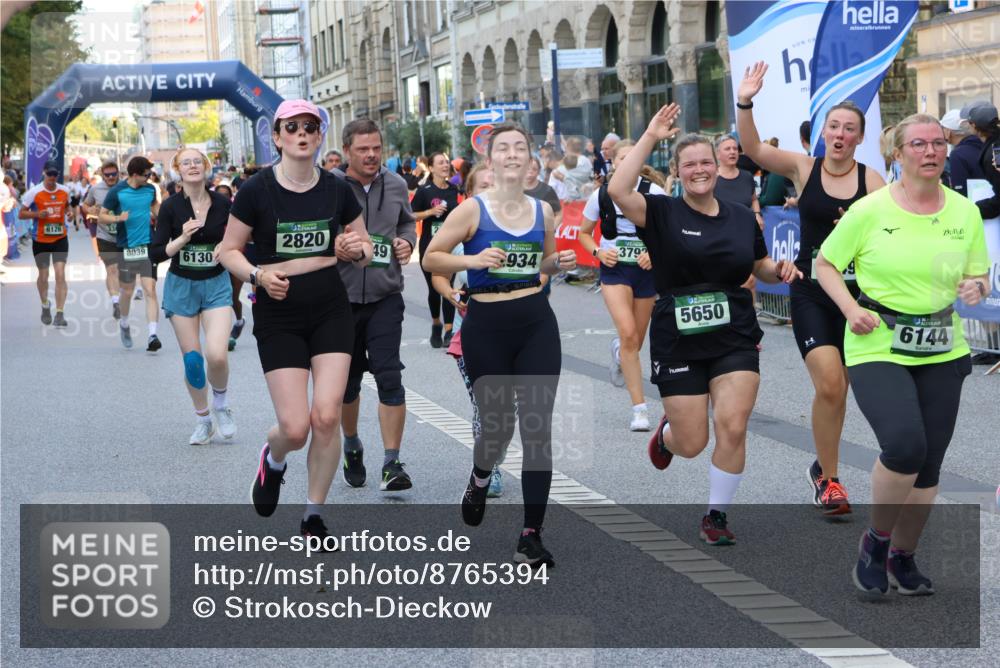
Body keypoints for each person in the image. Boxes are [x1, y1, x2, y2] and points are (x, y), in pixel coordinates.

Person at [609, 105, 802, 546]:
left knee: (733, 424)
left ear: (718, 168)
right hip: (677, 335)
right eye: (690, 164)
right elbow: (620, 188)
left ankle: (716, 514)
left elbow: (759, 264)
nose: (700, 170)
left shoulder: (740, 215)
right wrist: (651, 136)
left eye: (707, 163)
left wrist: (780, 269)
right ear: (677, 172)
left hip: (734, 331)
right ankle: (667, 434)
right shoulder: (660, 212)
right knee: (693, 441)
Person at [815, 113, 989, 596]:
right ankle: (876, 540)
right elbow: (825, 263)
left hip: (941, 343)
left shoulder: (963, 212)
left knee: (929, 463)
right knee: (905, 445)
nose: (931, 152)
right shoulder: (870, 210)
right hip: (877, 339)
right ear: (897, 153)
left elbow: (979, 276)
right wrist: (850, 309)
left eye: (938, 143)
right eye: (919, 144)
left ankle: (903, 556)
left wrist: (977, 286)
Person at [423, 123, 577, 567]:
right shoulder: (472, 210)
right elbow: (432, 256)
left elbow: (544, 262)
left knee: (536, 429)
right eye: (503, 149)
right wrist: (472, 259)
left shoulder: (541, 211)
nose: (512, 154)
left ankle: (531, 533)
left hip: (535, 323)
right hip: (486, 323)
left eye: (520, 148)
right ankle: (480, 474)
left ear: (531, 160)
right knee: (496, 426)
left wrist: (560, 262)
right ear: (490, 161)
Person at [737, 61, 886, 515]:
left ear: (860, 139)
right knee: (830, 384)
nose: (840, 134)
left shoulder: (873, 182)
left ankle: (823, 468)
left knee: (851, 388)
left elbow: (891, 239)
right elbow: (755, 148)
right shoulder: (804, 167)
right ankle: (831, 479)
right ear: (823, 133)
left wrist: (860, 232)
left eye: (849, 129)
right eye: (833, 126)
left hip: (858, 298)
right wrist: (746, 101)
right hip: (811, 290)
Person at [219, 99, 371, 541]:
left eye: (310, 126)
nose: (302, 133)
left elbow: (365, 250)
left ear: (320, 135)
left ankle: (313, 515)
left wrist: (353, 249)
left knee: (326, 417)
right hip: (278, 313)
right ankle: (273, 458)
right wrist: (259, 275)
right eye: (292, 127)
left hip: (329, 309)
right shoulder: (256, 190)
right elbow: (226, 251)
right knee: (296, 427)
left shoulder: (338, 189)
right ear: (278, 136)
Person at [332, 118, 418, 492]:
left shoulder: (397, 184)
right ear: (347, 150)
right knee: (347, 385)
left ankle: (392, 462)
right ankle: (351, 443)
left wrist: (406, 244)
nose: (371, 155)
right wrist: (336, 244)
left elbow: (406, 225)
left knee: (389, 377)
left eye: (376, 148)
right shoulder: (330, 186)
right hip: (339, 301)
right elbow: (316, 231)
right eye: (363, 149)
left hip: (385, 297)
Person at [151, 148, 237, 445]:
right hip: (181, 286)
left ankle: (222, 406)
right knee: (192, 362)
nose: (192, 166)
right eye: (185, 162)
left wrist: (226, 246)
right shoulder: (171, 207)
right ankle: (203, 419)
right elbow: (156, 253)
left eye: (197, 161)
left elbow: (243, 237)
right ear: (177, 169)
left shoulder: (224, 203)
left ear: (206, 167)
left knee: (216, 354)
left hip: (216, 284)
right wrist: (183, 238)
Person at [579, 140, 666, 431]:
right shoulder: (600, 195)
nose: (627, 163)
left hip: (645, 272)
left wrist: (655, 252)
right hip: (614, 270)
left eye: (632, 158)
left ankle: (619, 352)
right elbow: (584, 233)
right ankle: (639, 409)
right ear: (613, 162)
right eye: (622, 159)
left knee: (634, 342)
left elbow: (670, 234)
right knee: (628, 333)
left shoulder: (654, 192)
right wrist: (598, 252)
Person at [432, 163, 507, 496]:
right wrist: (450, 294)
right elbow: (435, 268)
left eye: (496, 186)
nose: (491, 192)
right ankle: (489, 468)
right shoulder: (461, 239)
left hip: (513, 333)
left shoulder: (518, 233)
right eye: (483, 187)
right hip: (470, 334)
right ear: (469, 196)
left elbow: (540, 270)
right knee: (486, 404)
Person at [99, 156, 162, 351]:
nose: (149, 177)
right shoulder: (118, 191)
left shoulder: (150, 189)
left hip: (147, 246)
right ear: (135, 174)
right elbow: (102, 215)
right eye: (146, 174)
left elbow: (157, 210)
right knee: (127, 290)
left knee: (150, 289)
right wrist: (118, 218)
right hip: (126, 247)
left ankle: (152, 335)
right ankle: (124, 323)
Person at [413, 152, 461, 347]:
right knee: (434, 288)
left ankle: (449, 329)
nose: (445, 165)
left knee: (447, 286)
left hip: (450, 245)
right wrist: (430, 212)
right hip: (429, 246)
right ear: (431, 168)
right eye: (440, 163)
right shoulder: (424, 191)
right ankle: (436, 324)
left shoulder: (453, 189)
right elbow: (410, 214)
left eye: (447, 162)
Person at [19, 161, 72, 326]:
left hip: (60, 238)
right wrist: (36, 214)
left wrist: (70, 214)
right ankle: (45, 305)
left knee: (60, 274)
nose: (52, 178)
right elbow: (21, 214)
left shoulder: (64, 190)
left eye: (55, 174)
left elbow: (68, 208)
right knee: (43, 275)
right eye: (49, 174)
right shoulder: (34, 193)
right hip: (40, 239)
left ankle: (60, 313)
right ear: (44, 173)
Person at [82, 161, 123, 320]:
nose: (111, 177)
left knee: (122, 271)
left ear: (118, 173)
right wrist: (90, 209)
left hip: (123, 235)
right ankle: (116, 302)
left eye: (114, 174)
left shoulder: (126, 187)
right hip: (105, 235)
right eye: (108, 175)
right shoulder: (95, 189)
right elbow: (85, 204)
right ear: (102, 174)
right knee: (112, 269)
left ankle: (119, 296)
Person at [939, 110, 984, 198]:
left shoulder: (958, 154)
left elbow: (959, 191)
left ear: (948, 131)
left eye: (942, 128)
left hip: (973, 206)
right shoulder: (986, 145)